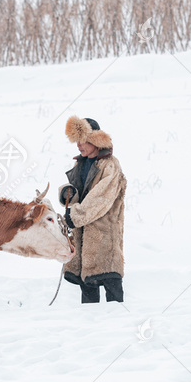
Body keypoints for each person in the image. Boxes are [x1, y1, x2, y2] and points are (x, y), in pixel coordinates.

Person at [58, 116, 126, 303]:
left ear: (96, 140)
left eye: (83, 141)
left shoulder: (110, 165)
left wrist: (74, 216)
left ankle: (119, 326)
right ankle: (90, 329)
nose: (79, 145)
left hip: (104, 236)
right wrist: (67, 194)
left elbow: (101, 198)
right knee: (88, 296)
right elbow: (81, 194)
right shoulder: (80, 163)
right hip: (82, 237)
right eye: (76, 141)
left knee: (113, 294)